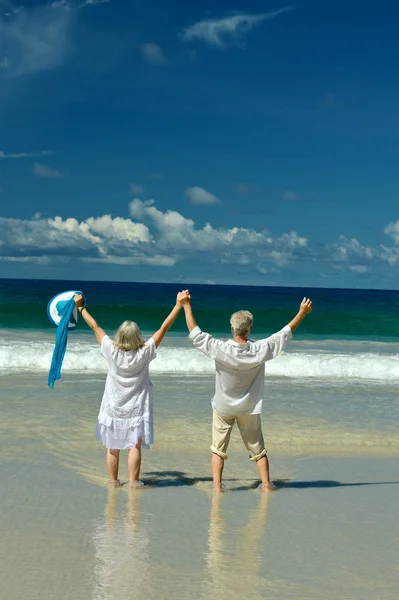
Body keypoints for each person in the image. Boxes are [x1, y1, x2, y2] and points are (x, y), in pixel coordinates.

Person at [180, 293, 313, 491]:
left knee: (218, 449)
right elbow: (285, 333)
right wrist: (301, 313)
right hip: (249, 408)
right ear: (250, 329)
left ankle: (217, 486)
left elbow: (196, 334)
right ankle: (267, 484)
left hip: (223, 406)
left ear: (232, 328)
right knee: (258, 449)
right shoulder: (260, 349)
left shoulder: (221, 348)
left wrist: (186, 306)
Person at [73, 292, 186, 487]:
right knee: (135, 445)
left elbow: (95, 326)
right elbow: (164, 328)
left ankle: (113, 482)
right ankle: (134, 482)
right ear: (137, 337)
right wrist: (178, 305)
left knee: (113, 447)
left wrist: (81, 307)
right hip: (136, 408)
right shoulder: (145, 352)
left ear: (120, 336)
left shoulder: (111, 349)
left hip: (113, 406)